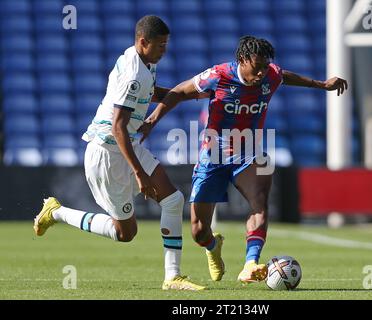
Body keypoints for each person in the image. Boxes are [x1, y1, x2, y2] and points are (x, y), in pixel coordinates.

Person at [139, 35, 348, 284]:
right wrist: (153, 119)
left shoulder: (271, 74)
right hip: (213, 157)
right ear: (242, 60)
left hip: (249, 155)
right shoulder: (218, 75)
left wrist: (321, 84)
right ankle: (213, 246)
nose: (261, 73)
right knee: (198, 231)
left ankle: (250, 263)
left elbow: (284, 76)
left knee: (259, 203)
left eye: (264, 67)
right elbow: (178, 92)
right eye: (256, 66)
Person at [33, 15, 205, 291]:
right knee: (125, 234)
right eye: (160, 45)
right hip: (106, 154)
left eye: (166, 44)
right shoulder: (134, 75)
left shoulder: (140, 62)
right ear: (143, 42)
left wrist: (189, 93)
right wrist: (139, 173)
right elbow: (118, 127)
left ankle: (172, 276)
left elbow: (151, 94)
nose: (165, 50)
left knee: (173, 200)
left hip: (126, 145)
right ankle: (57, 212)